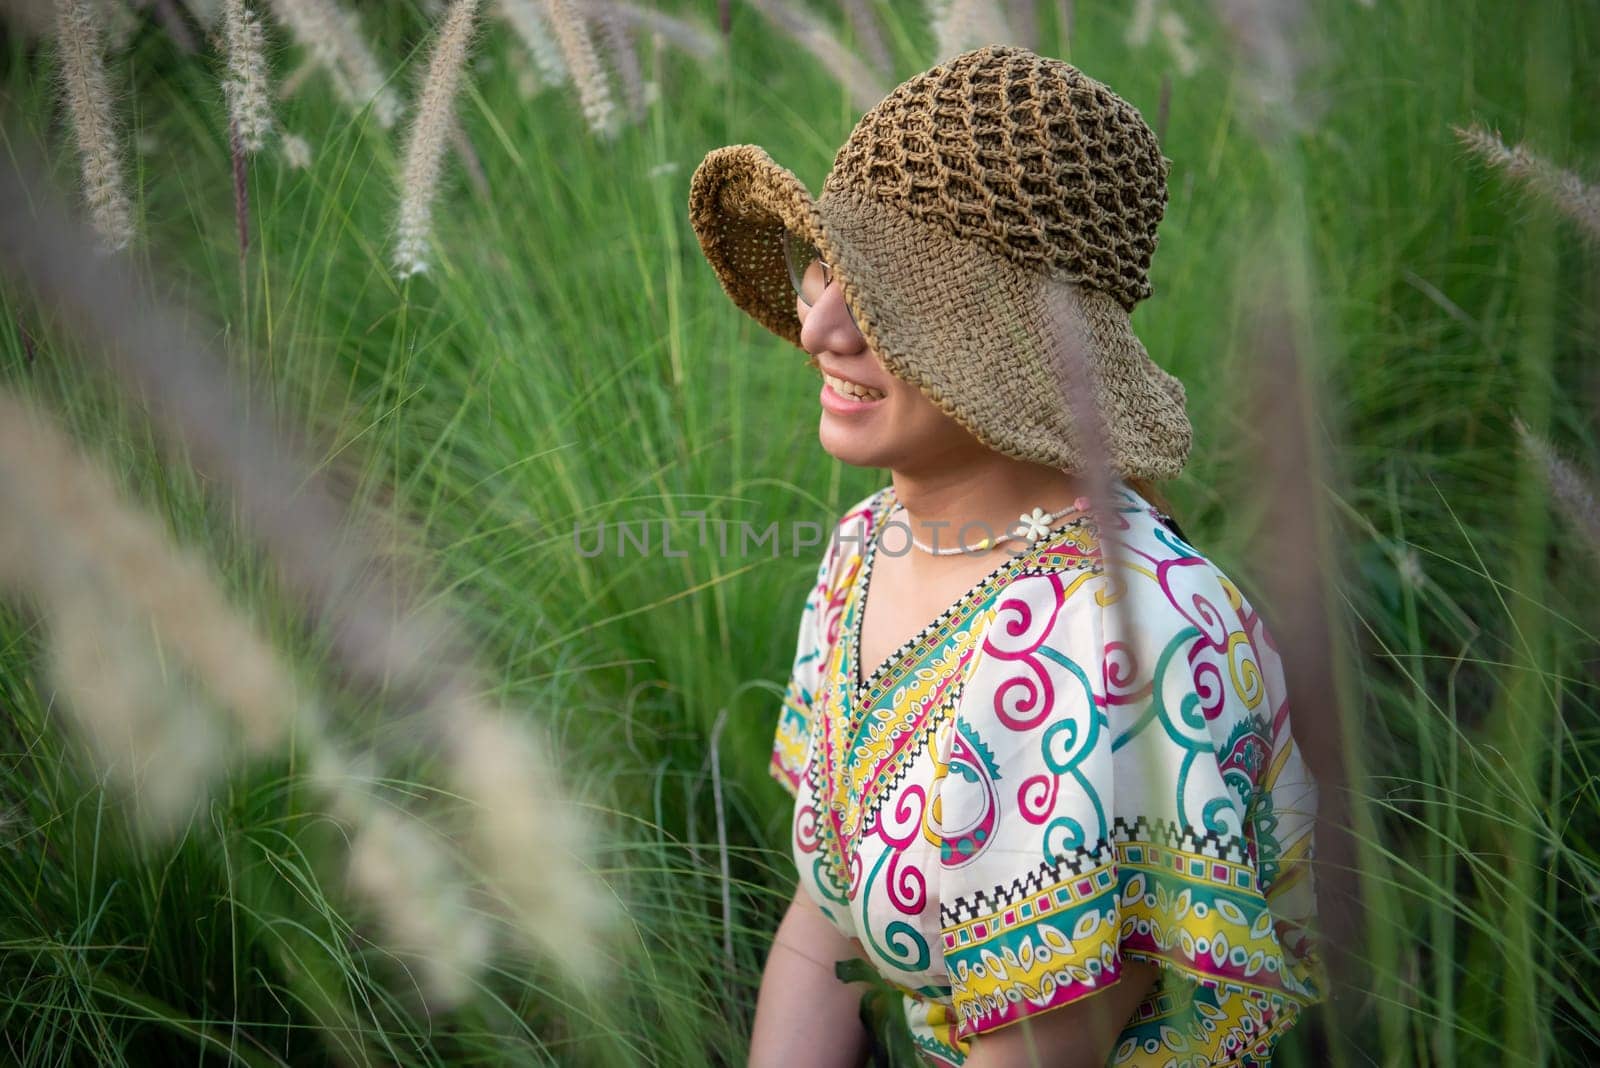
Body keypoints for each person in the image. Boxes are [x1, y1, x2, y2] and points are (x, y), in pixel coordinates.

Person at [688, 44, 1325, 1068]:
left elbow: (1040, 1054)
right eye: (828, 274)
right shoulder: (868, 548)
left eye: (890, 308)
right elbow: (823, 927)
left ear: (1015, 352)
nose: (818, 328)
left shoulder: (1120, 645)